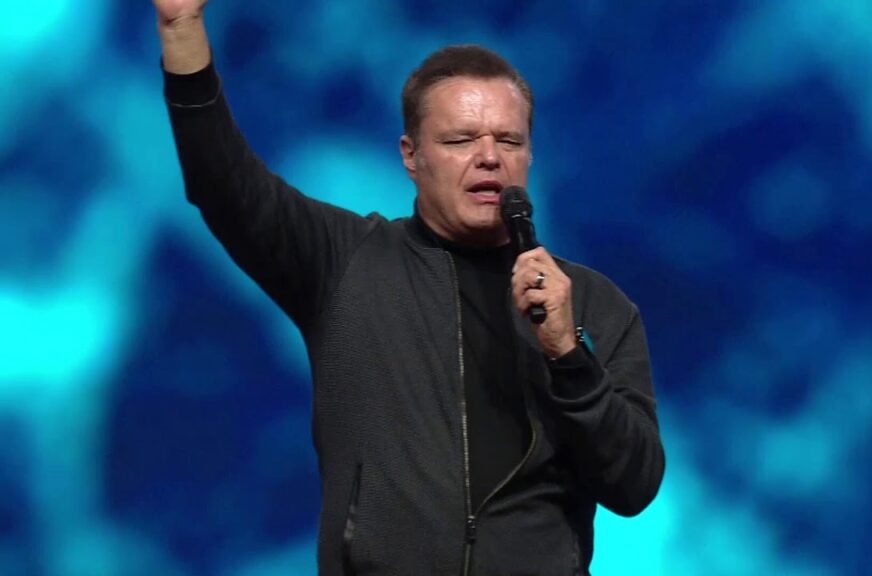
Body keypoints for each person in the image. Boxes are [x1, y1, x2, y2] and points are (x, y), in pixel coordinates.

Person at [153, 1, 665, 574]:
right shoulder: (344, 262)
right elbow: (224, 184)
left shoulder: (593, 303)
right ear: (411, 156)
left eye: (509, 141)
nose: (489, 158)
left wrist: (569, 358)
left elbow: (634, 485)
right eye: (460, 140)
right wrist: (182, 30)